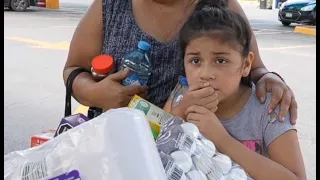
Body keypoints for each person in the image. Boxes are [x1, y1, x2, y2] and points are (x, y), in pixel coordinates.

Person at [63, 0, 298, 124]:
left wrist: (270, 79)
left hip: (197, 153)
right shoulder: (110, 5)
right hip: (117, 144)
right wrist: (94, 92)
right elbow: (73, 68)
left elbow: (253, 67)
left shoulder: (220, 5)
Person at [164, 2, 306, 179]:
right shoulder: (180, 98)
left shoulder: (267, 108)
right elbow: (155, 151)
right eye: (195, 61)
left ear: (246, 64)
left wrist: (223, 140)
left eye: (221, 61)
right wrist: (180, 113)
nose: (205, 74)